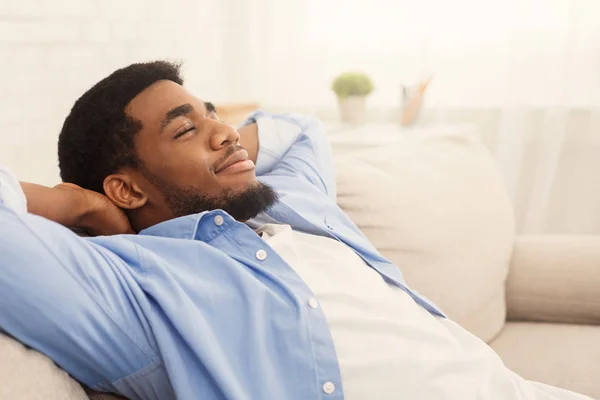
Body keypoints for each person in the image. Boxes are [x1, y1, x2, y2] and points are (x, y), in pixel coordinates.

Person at [0, 61, 592, 400]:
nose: (228, 133)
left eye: (217, 116)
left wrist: (213, 148)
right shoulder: (139, 290)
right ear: (126, 187)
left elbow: (299, 129)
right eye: (186, 130)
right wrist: (74, 207)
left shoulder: (292, 205)